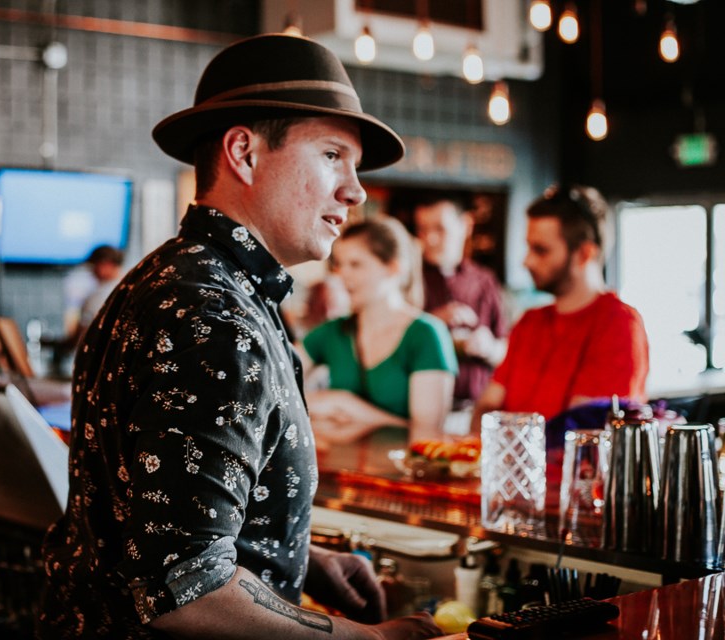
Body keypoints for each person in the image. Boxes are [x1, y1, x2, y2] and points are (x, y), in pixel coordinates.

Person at [41, 34, 441, 640]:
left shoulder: (174, 278)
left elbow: (166, 523)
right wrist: (371, 639)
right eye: (333, 154)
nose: (355, 190)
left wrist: (297, 557)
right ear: (244, 153)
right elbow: (187, 592)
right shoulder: (213, 317)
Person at [472, 185, 649, 432]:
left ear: (584, 254)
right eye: (529, 247)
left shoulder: (618, 323)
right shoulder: (529, 322)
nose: (527, 261)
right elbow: (487, 406)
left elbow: (584, 433)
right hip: (510, 469)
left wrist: (504, 437)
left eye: (541, 250)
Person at [303, 217, 457, 446]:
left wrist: (348, 405)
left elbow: (426, 436)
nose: (342, 275)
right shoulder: (331, 332)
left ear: (393, 268)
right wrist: (328, 401)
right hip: (338, 474)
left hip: (400, 477)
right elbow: (273, 388)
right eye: (340, 264)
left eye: (356, 265)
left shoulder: (426, 334)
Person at [413, 193, 507, 405]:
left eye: (439, 229)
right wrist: (433, 321)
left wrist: (489, 347)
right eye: (422, 229)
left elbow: (507, 351)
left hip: (476, 407)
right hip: (423, 408)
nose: (430, 238)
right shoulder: (409, 278)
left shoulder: (485, 281)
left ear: (466, 225)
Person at [76, 245, 125, 332]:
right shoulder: (128, 287)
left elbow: (85, 329)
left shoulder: (101, 294)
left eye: (94, 265)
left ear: (106, 264)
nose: (92, 271)